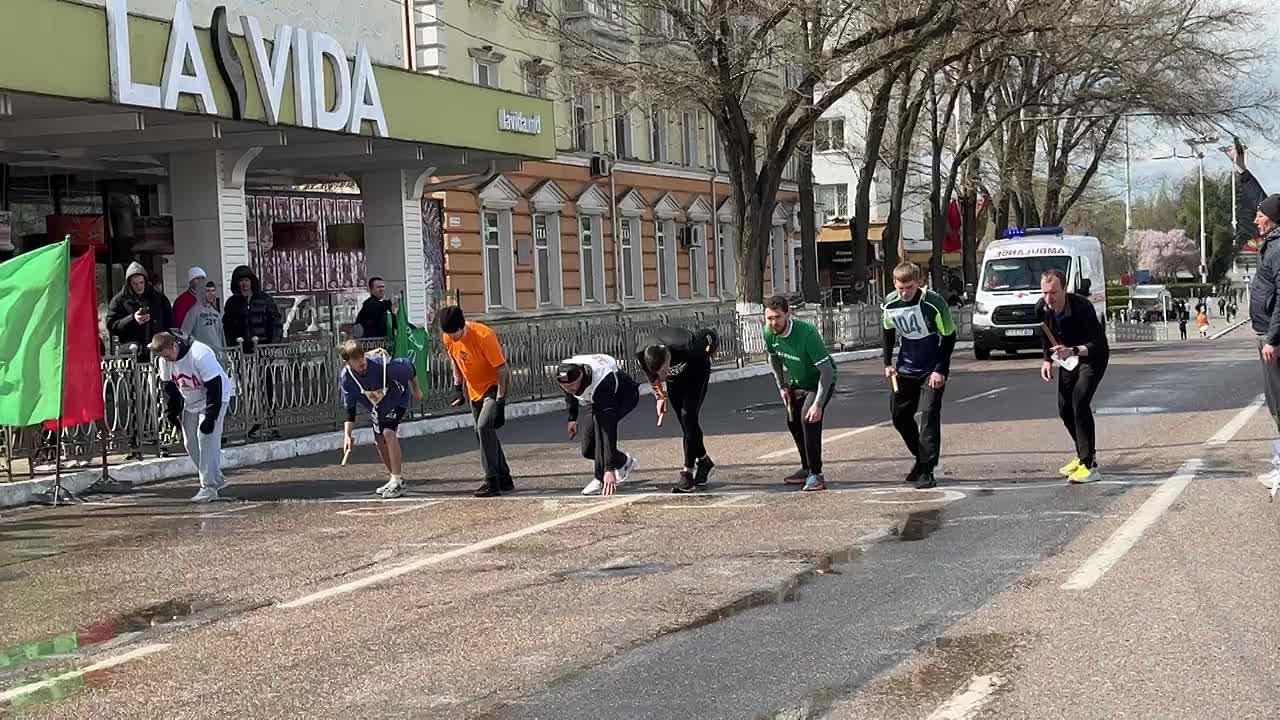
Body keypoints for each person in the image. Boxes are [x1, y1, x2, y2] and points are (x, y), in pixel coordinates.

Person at [1227, 142, 1280, 488]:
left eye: (1260, 215)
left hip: (1274, 339)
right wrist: (1241, 168)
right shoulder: (1273, 238)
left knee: (1279, 405)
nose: (1255, 217)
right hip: (1268, 336)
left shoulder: (1279, 249)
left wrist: (1274, 339)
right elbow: (1259, 199)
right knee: (1276, 405)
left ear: (1272, 219)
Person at [881, 262, 957, 490]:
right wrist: (887, 362)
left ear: (919, 283)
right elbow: (888, 331)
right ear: (894, 284)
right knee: (899, 416)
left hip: (932, 368)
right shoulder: (890, 302)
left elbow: (949, 336)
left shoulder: (934, 303)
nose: (905, 293)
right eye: (900, 288)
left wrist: (940, 369)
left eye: (910, 288)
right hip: (906, 368)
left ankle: (927, 470)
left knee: (929, 415)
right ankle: (921, 457)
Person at [1037, 269, 1109, 484]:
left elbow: (1097, 343)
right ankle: (1081, 454)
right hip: (1068, 359)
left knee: (1080, 400)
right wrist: (1047, 360)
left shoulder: (1082, 307)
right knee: (1064, 407)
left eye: (1053, 293)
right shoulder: (1042, 307)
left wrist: (1073, 350)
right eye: (1044, 293)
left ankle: (1089, 465)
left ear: (1064, 289)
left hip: (1091, 357)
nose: (1048, 298)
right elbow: (1045, 333)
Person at [763, 294, 836, 492]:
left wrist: (818, 404)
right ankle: (806, 468)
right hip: (798, 382)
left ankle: (816, 474)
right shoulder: (769, 333)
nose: (773, 322)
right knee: (793, 420)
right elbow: (774, 358)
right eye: (769, 318)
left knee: (809, 418)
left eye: (778, 317)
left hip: (819, 382)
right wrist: (782, 386)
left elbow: (827, 371)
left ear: (788, 314)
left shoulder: (807, 334)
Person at [151, 331, 234, 503]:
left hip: (216, 398)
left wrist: (210, 417)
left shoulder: (199, 353)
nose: (167, 360)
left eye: (167, 355)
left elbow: (215, 386)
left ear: (174, 345)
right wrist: (171, 413)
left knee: (206, 438)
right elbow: (170, 389)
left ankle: (208, 487)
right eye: (163, 357)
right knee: (190, 443)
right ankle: (216, 480)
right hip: (191, 402)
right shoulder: (164, 361)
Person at [439, 306, 513, 498]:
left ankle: (492, 481)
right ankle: (505, 478)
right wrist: (457, 388)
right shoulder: (448, 337)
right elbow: (455, 361)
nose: (451, 338)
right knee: (483, 434)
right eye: (447, 334)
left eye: (454, 333)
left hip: (494, 386)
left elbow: (502, 370)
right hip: (474, 389)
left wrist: (500, 402)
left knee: (483, 427)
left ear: (462, 326)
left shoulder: (484, 336)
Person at [635, 325, 719, 493]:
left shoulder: (688, 345)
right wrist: (660, 396)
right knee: (686, 425)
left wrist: (711, 350)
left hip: (696, 373)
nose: (662, 376)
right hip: (676, 381)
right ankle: (704, 462)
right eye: (660, 373)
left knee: (688, 417)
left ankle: (687, 473)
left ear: (668, 357)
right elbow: (652, 376)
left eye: (664, 370)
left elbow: (711, 334)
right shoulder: (641, 353)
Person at [338, 340, 423, 499]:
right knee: (379, 440)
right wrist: (347, 435)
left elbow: (409, 367)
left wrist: (417, 390)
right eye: (356, 359)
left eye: (362, 356)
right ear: (347, 362)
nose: (362, 362)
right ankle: (395, 479)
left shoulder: (383, 365)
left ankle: (396, 481)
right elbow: (350, 409)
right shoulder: (347, 378)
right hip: (378, 407)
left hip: (397, 397)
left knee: (388, 432)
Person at [556, 354, 640, 496]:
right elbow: (569, 394)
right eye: (565, 387)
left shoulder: (602, 383)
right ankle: (624, 462)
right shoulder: (566, 370)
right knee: (588, 449)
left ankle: (600, 479)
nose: (569, 389)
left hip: (622, 396)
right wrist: (572, 418)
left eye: (572, 386)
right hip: (594, 399)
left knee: (601, 431)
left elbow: (608, 430)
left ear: (581, 376)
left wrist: (609, 469)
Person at [106, 261, 174, 362]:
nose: (139, 286)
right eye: (135, 284)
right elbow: (111, 325)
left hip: (157, 350)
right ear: (129, 284)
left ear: (145, 281)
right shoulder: (119, 300)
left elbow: (169, 321)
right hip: (131, 352)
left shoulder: (158, 297)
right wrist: (132, 319)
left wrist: (167, 342)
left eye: (141, 282)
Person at [222, 265, 281, 352]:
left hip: (264, 350)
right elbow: (227, 329)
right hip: (240, 351)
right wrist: (231, 348)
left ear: (252, 282)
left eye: (247, 280)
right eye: (241, 281)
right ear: (237, 283)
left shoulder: (266, 300)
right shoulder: (232, 303)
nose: (244, 284)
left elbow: (276, 324)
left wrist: (273, 345)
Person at [180, 281, 225, 349]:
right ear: (201, 292)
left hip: (217, 352)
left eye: (213, 290)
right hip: (202, 352)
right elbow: (184, 334)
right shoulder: (193, 312)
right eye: (208, 291)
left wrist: (223, 352)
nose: (211, 294)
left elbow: (221, 336)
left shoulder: (217, 314)